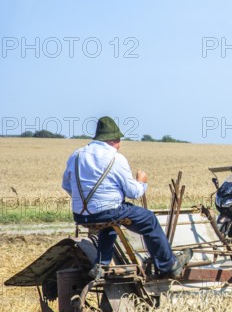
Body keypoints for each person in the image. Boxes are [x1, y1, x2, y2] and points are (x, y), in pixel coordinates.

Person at [62, 116, 191, 278]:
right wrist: (141, 182)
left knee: (108, 224)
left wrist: (86, 203)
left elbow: (66, 185)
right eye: (119, 140)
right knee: (149, 219)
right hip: (109, 212)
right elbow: (134, 193)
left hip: (80, 215)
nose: (120, 145)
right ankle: (168, 264)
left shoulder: (77, 155)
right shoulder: (116, 158)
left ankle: (101, 264)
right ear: (113, 140)